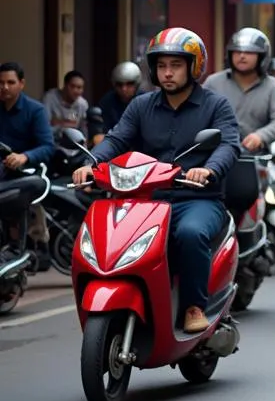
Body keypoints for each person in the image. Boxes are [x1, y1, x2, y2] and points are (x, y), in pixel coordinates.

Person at [73, 29, 239, 334]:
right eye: (161, 66)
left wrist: (209, 170)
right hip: (146, 199)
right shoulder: (140, 105)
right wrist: (91, 163)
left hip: (198, 199)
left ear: (194, 66)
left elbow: (228, 145)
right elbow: (116, 139)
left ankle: (193, 306)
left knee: (190, 234)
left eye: (175, 65)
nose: (167, 73)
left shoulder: (216, 106)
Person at [0, 61, 56, 266]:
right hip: (2, 174)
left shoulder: (35, 110)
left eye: (10, 82)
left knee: (30, 191)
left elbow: (48, 147)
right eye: (1, 82)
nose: (5, 87)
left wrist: (24, 156)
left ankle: (37, 243)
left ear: (21, 84)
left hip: (27, 172)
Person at [205, 29, 275, 153]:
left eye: (249, 52)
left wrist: (261, 136)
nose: (242, 56)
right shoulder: (213, 82)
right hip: (215, 155)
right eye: (237, 51)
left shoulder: (272, 86)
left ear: (262, 56)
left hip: (257, 159)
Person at [96, 61, 143, 135]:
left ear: (136, 84)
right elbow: (103, 129)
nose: (124, 89)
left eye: (129, 84)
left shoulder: (145, 101)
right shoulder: (107, 102)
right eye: (119, 84)